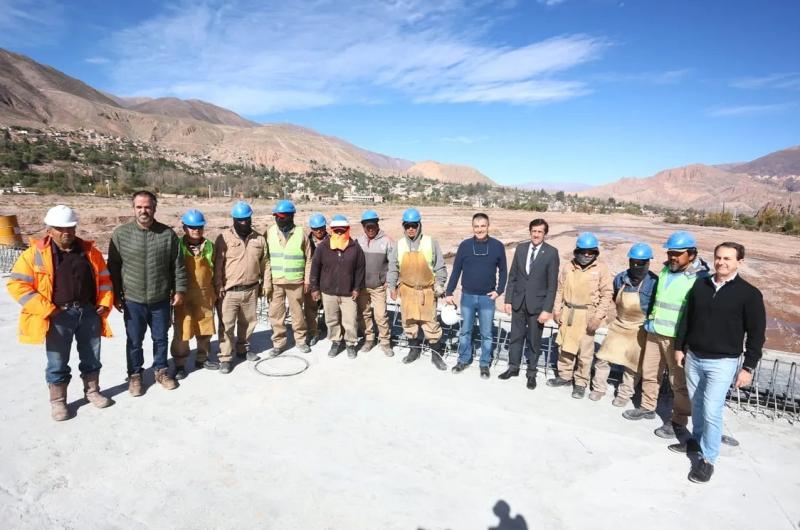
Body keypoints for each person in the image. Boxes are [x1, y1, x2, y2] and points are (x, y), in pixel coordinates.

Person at [671, 242, 765, 483]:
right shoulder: (700, 285)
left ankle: (708, 459)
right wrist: (679, 347)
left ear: (739, 262)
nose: (721, 262)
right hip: (694, 357)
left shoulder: (750, 294)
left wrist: (748, 367)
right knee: (698, 405)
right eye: (718, 258)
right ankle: (698, 442)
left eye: (728, 259)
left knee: (712, 410)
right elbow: (687, 319)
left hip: (723, 362)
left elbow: (756, 334)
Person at [8, 205, 114, 420]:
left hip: (88, 312)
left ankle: (92, 391)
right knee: (57, 361)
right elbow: (17, 284)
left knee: (92, 357)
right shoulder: (35, 254)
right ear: (49, 230)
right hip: (57, 316)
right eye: (60, 228)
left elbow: (105, 280)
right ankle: (59, 402)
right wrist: (47, 310)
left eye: (71, 227)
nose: (67, 233)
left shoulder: (90, 252)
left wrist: (104, 302)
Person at [622, 231, 710, 440]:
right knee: (650, 372)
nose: (673, 257)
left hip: (677, 339)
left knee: (677, 382)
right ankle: (647, 407)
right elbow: (657, 299)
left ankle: (678, 421)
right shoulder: (665, 271)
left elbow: (698, 313)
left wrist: (686, 341)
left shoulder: (700, 278)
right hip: (655, 331)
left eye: (678, 254)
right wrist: (651, 320)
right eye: (671, 252)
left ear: (691, 254)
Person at [108, 190, 186, 396]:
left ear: (154, 208)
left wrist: (179, 290)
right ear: (133, 208)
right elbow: (113, 268)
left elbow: (177, 266)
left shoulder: (167, 234)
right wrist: (115, 295)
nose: (144, 211)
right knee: (134, 340)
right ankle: (135, 376)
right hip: (133, 300)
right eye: (139, 207)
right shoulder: (121, 235)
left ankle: (161, 371)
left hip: (160, 298)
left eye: (148, 207)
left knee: (160, 338)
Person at [547, 232, 613, 399]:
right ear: (577, 251)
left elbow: (607, 294)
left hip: (587, 315)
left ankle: (581, 383)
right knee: (565, 347)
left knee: (584, 352)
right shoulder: (568, 267)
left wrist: (598, 317)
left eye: (590, 252)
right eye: (583, 251)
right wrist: (556, 309)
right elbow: (560, 289)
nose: (586, 255)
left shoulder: (601, 269)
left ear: (595, 252)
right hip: (568, 312)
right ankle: (564, 376)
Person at [591, 243, 658, 404]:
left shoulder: (654, 282)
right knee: (603, 357)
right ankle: (599, 388)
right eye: (633, 262)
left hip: (639, 328)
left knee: (632, 365)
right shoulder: (621, 278)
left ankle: (624, 395)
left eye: (640, 263)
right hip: (619, 324)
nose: (636, 266)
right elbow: (615, 298)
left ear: (648, 263)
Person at [445, 212, 507, 379]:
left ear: (488, 226)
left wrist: (499, 291)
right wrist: (449, 291)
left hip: (487, 298)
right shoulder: (465, 246)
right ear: (473, 227)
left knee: (487, 333)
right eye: (476, 226)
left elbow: (503, 270)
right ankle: (464, 359)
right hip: (467, 297)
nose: (480, 229)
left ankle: (484, 363)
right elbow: (456, 269)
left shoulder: (498, 246)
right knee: (465, 330)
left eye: (483, 226)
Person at [499, 218, 559, 388]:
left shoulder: (551, 253)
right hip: (518, 302)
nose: (536, 234)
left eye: (540, 232)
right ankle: (513, 367)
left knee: (534, 341)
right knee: (515, 337)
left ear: (545, 234)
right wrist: (508, 300)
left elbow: (552, 285)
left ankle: (531, 373)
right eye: (534, 231)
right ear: (530, 232)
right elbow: (513, 276)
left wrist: (547, 309)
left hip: (537, 306)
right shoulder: (521, 248)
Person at [387, 208, 448, 370]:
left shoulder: (430, 242)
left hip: (427, 291)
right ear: (404, 226)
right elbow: (393, 267)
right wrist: (392, 286)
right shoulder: (399, 245)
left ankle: (436, 355)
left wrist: (440, 284)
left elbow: (440, 266)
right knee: (409, 322)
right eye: (407, 226)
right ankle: (414, 350)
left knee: (431, 323)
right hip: (407, 290)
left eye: (414, 225)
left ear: (419, 225)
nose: (411, 229)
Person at [213, 201, 267, 373]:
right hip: (229, 291)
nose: (244, 222)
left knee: (248, 323)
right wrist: (218, 285)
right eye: (240, 219)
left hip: (251, 290)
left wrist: (266, 284)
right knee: (227, 326)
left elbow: (265, 263)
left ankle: (243, 349)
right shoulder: (224, 238)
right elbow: (218, 265)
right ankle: (225, 358)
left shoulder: (259, 239)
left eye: (246, 219)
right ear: (234, 219)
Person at [171, 209, 219, 379]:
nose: (196, 230)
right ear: (184, 228)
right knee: (182, 332)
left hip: (205, 294)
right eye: (192, 227)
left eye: (199, 227)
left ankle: (202, 358)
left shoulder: (209, 246)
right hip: (183, 294)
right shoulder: (176, 246)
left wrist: (216, 290)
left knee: (205, 329)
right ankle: (180, 364)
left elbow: (215, 270)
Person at [309, 214, 366, 358]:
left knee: (350, 320)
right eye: (336, 231)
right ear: (332, 230)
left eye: (342, 230)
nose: (339, 233)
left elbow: (360, 269)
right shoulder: (323, 247)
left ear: (347, 230)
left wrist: (357, 288)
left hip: (348, 293)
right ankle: (335, 342)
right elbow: (315, 267)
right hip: (328, 292)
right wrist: (314, 287)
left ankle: (350, 344)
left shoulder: (355, 248)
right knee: (331, 319)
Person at [264, 199, 312, 356]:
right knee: (276, 314)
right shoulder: (270, 232)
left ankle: (300, 340)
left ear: (291, 216)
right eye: (276, 216)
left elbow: (309, 259)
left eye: (282, 216)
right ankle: (279, 343)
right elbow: (265, 259)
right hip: (276, 281)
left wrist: (306, 280)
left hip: (295, 281)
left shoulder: (300, 233)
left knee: (297, 313)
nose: (279, 219)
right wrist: (266, 282)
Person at [356, 209, 394, 356]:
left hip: (379, 287)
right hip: (362, 286)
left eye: (372, 226)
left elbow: (393, 264)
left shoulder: (387, 241)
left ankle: (385, 343)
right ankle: (369, 339)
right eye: (367, 226)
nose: (370, 229)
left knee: (381, 315)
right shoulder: (358, 241)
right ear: (363, 226)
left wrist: (389, 282)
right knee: (364, 314)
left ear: (377, 225)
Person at [304, 212, 328, 346]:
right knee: (310, 308)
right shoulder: (306, 241)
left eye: (321, 228)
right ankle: (313, 332)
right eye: (315, 228)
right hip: (312, 280)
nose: (319, 231)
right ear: (311, 229)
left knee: (331, 308)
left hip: (328, 280)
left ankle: (332, 331)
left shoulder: (332, 240)